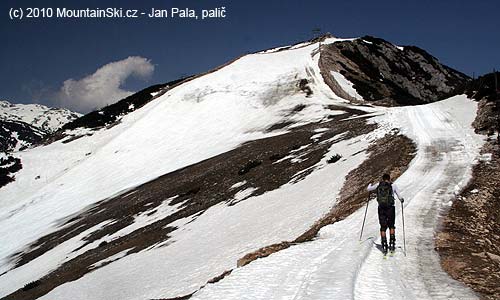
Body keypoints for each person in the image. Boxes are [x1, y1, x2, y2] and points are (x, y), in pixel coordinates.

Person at [367, 173, 404, 254]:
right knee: (391, 226)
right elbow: (400, 197)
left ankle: (384, 245)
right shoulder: (393, 186)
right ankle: (392, 243)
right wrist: (401, 200)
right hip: (390, 208)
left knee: (383, 227)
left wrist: (370, 183)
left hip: (381, 208)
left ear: (382, 179)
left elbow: (368, 189)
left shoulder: (378, 185)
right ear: (389, 179)